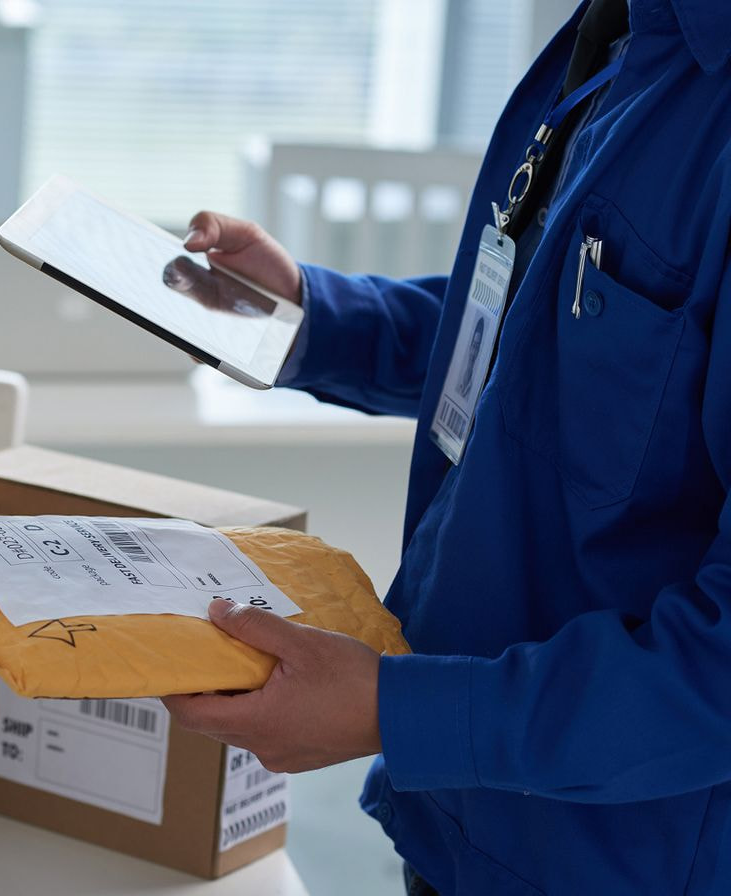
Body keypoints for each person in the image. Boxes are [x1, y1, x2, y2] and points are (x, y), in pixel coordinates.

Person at [160, 0, 731, 893]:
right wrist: (313, 317)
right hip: (459, 824)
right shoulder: (616, 31)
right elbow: (545, 339)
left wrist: (400, 713)